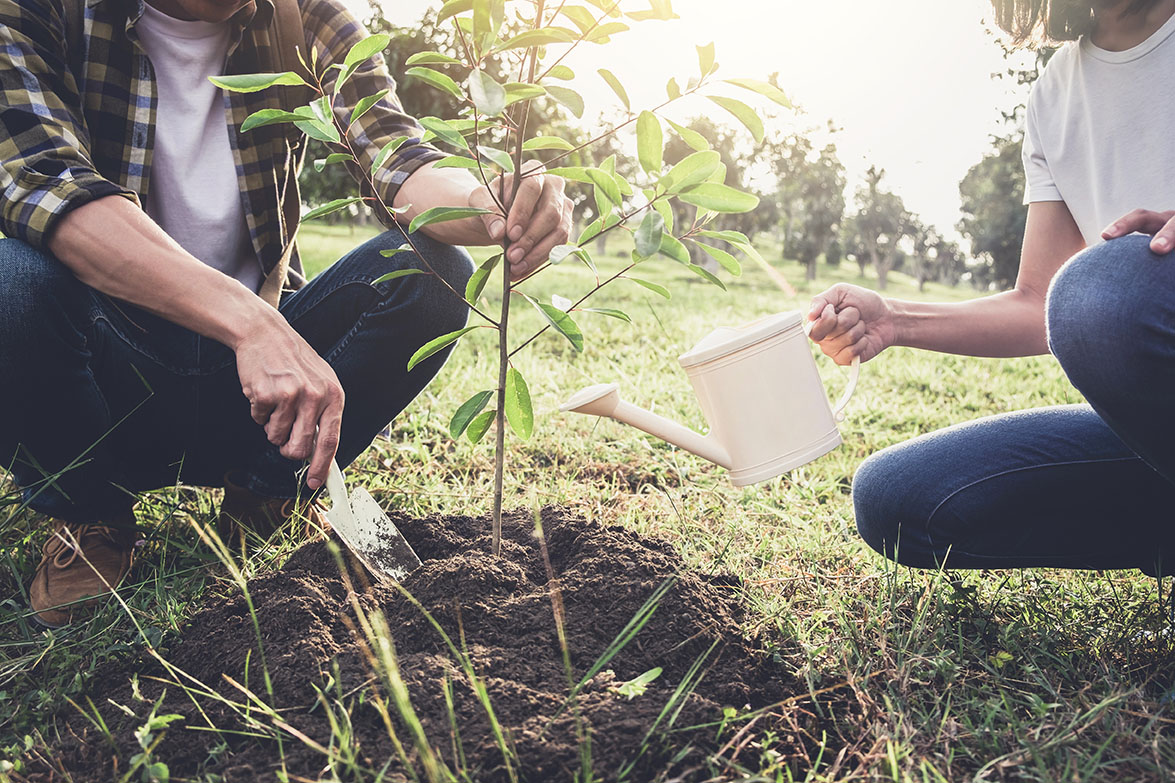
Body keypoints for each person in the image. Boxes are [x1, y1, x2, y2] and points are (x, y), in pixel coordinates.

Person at [0, 0, 573, 626]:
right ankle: (90, 514)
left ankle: (270, 493)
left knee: (431, 275)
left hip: (260, 399)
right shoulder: (39, 11)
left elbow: (397, 157)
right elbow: (44, 185)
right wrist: (250, 322)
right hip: (106, 376)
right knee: (12, 280)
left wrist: (492, 204)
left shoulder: (306, 18)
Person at [806, 0, 1175, 575]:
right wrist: (894, 321)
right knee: (898, 496)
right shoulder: (1057, 91)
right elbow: (1043, 304)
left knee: (1109, 282)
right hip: (1156, 426)